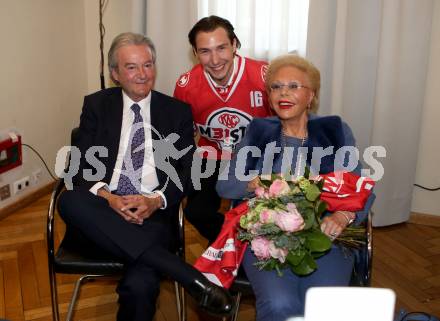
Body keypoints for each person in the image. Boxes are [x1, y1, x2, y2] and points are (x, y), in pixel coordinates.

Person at [57, 32, 233, 321]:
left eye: (148, 65)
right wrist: (109, 198)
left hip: (151, 215)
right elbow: (78, 168)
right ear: (115, 73)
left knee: (141, 284)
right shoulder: (97, 106)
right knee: (70, 201)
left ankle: (175, 270)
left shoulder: (175, 111)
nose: (142, 75)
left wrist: (156, 200)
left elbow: (187, 172)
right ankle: (192, 279)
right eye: (131, 67)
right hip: (101, 214)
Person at [216, 54, 375, 320]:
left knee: (321, 307)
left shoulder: (333, 130)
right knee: (280, 304)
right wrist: (262, 181)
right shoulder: (258, 131)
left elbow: (361, 189)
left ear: (311, 95)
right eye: (275, 87)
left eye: (293, 86)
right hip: (266, 236)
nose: (283, 94)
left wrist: (342, 215)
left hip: (327, 236)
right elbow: (225, 185)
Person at [174, 15, 272, 243]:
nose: (215, 59)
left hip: (258, 157)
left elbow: (285, 125)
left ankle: (251, 247)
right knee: (195, 211)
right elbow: (184, 136)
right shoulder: (186, 86)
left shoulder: (263, 76)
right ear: (195, 53)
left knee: (262, 209)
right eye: (205, 51)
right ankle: (231, 242)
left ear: (235, 44)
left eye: (222, 48)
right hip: (212, 155)